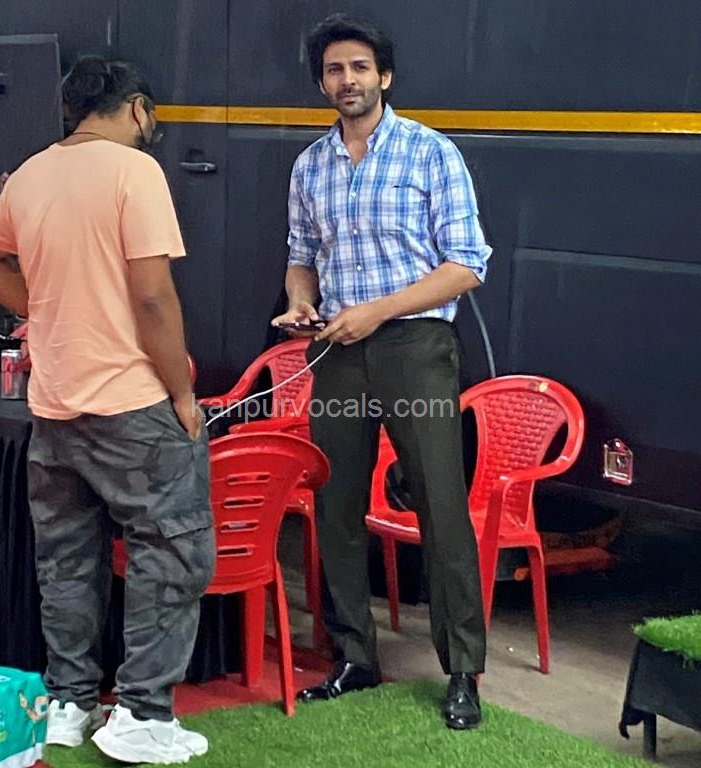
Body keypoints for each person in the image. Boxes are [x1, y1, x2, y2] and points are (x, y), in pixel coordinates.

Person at [0, 55, 213, 763]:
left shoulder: (31, 173)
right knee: (171, 553)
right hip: (133, 404)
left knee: (67, 561)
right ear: (136, 109)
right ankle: (143, 716)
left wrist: (41, 310)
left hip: (53, 407)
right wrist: (183, 393)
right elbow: (152, 296)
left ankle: (70, 705)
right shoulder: (136, 171)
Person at [272, 14, 492, 730]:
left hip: (415, 349)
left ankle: (462, 671)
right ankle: (354, 658)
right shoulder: (310, 166)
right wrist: (301, 302)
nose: (348, 80)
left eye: (359, 68)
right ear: (322, 83)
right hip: (338, 350)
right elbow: (301, 254)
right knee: (336, 505)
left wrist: (377, 311)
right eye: (334, 70)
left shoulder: (430, 152)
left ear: (384, 76)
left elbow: (466, 265)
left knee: (439, 504)